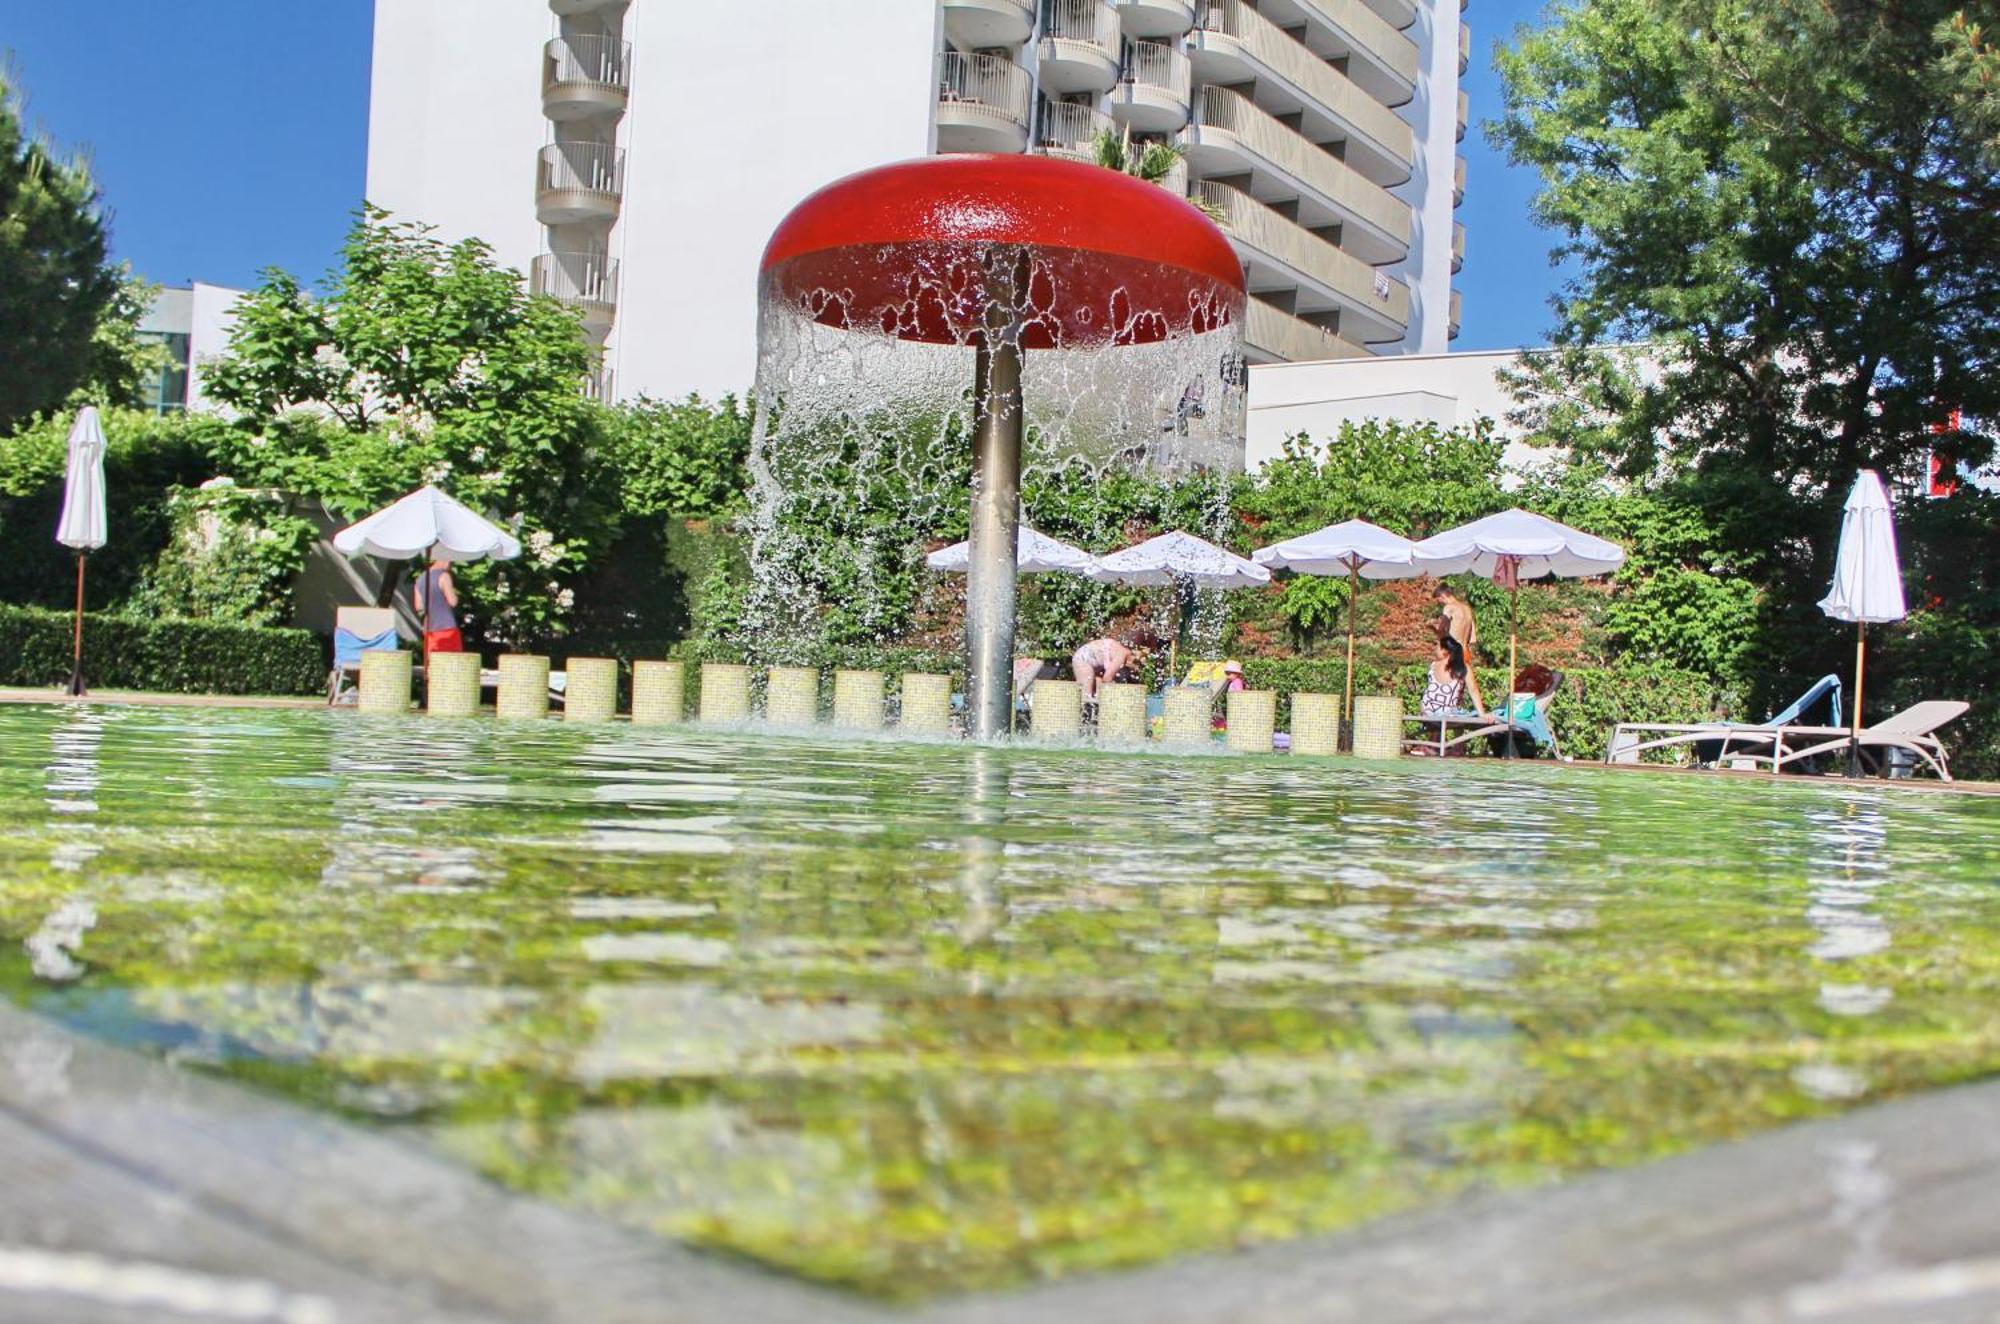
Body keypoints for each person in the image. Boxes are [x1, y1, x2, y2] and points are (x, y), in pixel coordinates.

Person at [1432, 583, 1487, 714]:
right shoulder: (1467, 608)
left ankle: (1437, 719)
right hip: (1465, 651)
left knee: (1443, 686)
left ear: (1443, 595)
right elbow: (1473, 638)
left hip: (1451, 652)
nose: (1440, 603)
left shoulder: (1449, 608)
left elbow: (1441, 630)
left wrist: (1433, 629)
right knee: (1466, 689)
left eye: (1439, 599)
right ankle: (1480, 714)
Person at [412, 556, 463, 660]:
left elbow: (418, 607)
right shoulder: (444, 576)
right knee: (451, 663)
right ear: (446, 560)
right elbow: (453, 602)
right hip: (447, 627)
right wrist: (456, 596)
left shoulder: (420, 579)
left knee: (434, 665)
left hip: (430, 629)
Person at [1071, 634, 1145, 703]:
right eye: (1136, 668)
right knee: (1086, 697)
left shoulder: (1121, 652)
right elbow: (1107, 678)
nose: (1133, 670)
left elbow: (1103, 678)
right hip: (1082, 659)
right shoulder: (1122, 655)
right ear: (1134, 660)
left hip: (1092, 663)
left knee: (1098, 698)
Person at [1420, 635, 1470, 718]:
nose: (1435, 649)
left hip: (1427, 709)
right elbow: (1473, 691)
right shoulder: (1462, 668)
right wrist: (1482, 714)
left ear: (1444, 651)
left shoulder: (1434, 665)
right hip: (1447, 712)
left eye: (1437, 647)